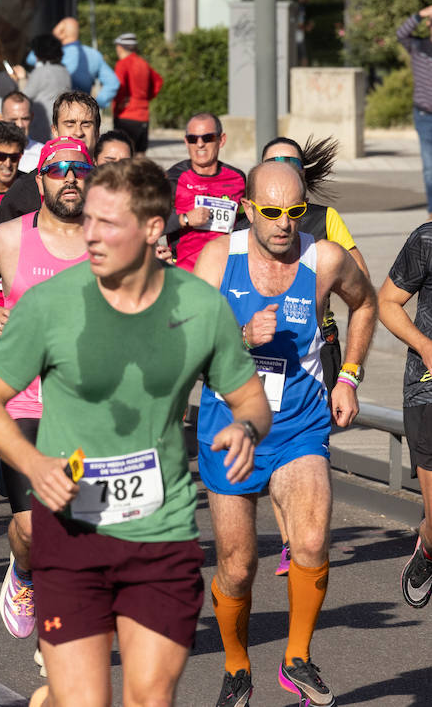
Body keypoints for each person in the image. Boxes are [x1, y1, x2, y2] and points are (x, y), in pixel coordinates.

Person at [0, 156, 271, 707]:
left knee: (150, 698)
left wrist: (248, 427)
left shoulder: (200, 308)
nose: (92, 235)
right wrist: (34, 464)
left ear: (155, 228)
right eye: (89, 221)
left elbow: (249, 397)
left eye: (110, 223)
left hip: (161, 531)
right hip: (72, 533)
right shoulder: (50, 305)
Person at [194, 160, 375, 707]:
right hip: (230, 430)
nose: (283, 224)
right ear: (248, 208)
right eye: (270, 212)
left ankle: (297, 659)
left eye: (294, 212)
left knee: (314, 540)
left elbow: (365, 304)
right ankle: (236, 666)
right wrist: (239, 337)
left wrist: (349, 376)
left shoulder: (324, 260)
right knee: (238, 567)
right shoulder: (218, 258)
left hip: (299, 426)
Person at [0, 137, 93, 642]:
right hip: (24, 403)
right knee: (35, 529)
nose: (70, 178)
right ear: (40, 182)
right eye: (58, 170)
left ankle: (63, 633)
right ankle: (23, 572)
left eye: (79, 169)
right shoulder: (10, 239)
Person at [377, 221, 432, 611]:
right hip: (428, 389)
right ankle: (429, 546)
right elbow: (386, 303)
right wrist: (425, 346)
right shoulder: (426, 239)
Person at [0, 91, 101, 230]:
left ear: (97, 132)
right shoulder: (26, 187)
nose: (78, 132)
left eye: (86, 124)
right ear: (55, 131)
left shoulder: (108, 183)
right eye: (70, 124)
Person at [164, 112, 247, 272]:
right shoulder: (172, 178)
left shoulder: (238, 179)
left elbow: (246, 223)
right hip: (186, 273)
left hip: (227, 272)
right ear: (186, 142)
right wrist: (185, 219)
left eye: (207, 138)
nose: (200, 144)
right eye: (193, 139)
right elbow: (149, 223)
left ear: (221, 140)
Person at [26, 17, 120, 109]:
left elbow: (31, 58)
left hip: (57, 112)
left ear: (61, 32)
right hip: (84, 110)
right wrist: (97, 103)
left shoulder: (54, 54)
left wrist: (52, 38)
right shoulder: (93, 54)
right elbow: (113, 82)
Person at [397, 5, 432, 219]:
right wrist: (421, 14)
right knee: (430, 167)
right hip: (424, 115)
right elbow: (401, 33)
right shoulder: (417, 46)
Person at [110, 33, 161, 154]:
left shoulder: (122, 64)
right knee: (140, 156)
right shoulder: (143, 63)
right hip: (143, 115)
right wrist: (145, 98)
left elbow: (119, 87)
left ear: (120, 47)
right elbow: (158, 81)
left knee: (123, 155)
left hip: (126, 115)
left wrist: (119, 104)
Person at [18, 34, 72, 143]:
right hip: (60, 124)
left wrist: (21, 79)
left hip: (43, 127)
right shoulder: (64, 71)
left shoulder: (41, 72)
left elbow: (23, 97)